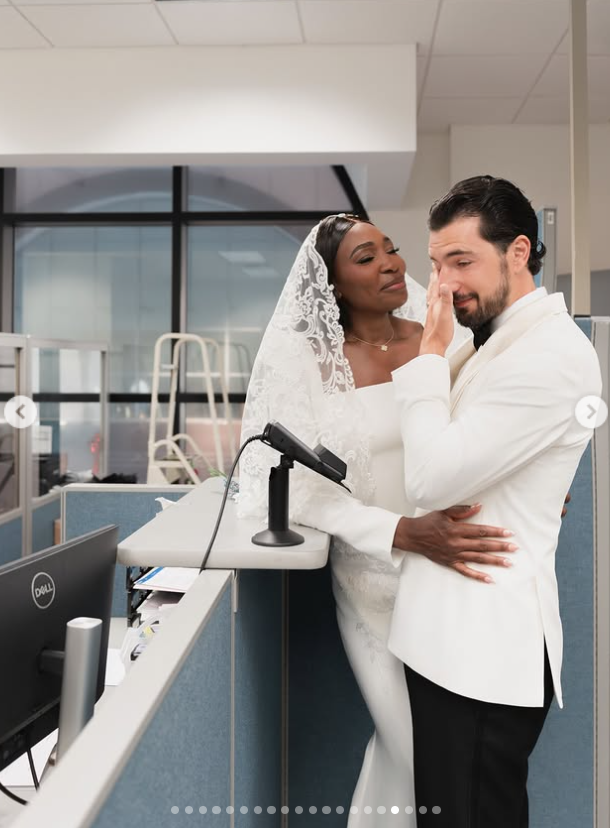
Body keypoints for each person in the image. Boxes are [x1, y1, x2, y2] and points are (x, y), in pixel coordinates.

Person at [238, 213, 518, 825]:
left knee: (452, 757)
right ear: (332, 284)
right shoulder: (310, 365)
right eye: (365, 258)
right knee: (414, 748)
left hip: (456, 573)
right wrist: (400, 532)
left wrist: (524, 488)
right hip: (373, 582)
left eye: (390, 250)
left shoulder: (443, 342)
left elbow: (488, 438)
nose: (391, 264)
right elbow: (293, 491)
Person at [388, 175, 602, 827]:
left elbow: (429, 478)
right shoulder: (496, 342)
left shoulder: (550, 358)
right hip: (452, 646)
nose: (444, 283)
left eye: (461, 261)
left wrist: (426, 358)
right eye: (435, 263)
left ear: (518, 252)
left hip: (482, 655)